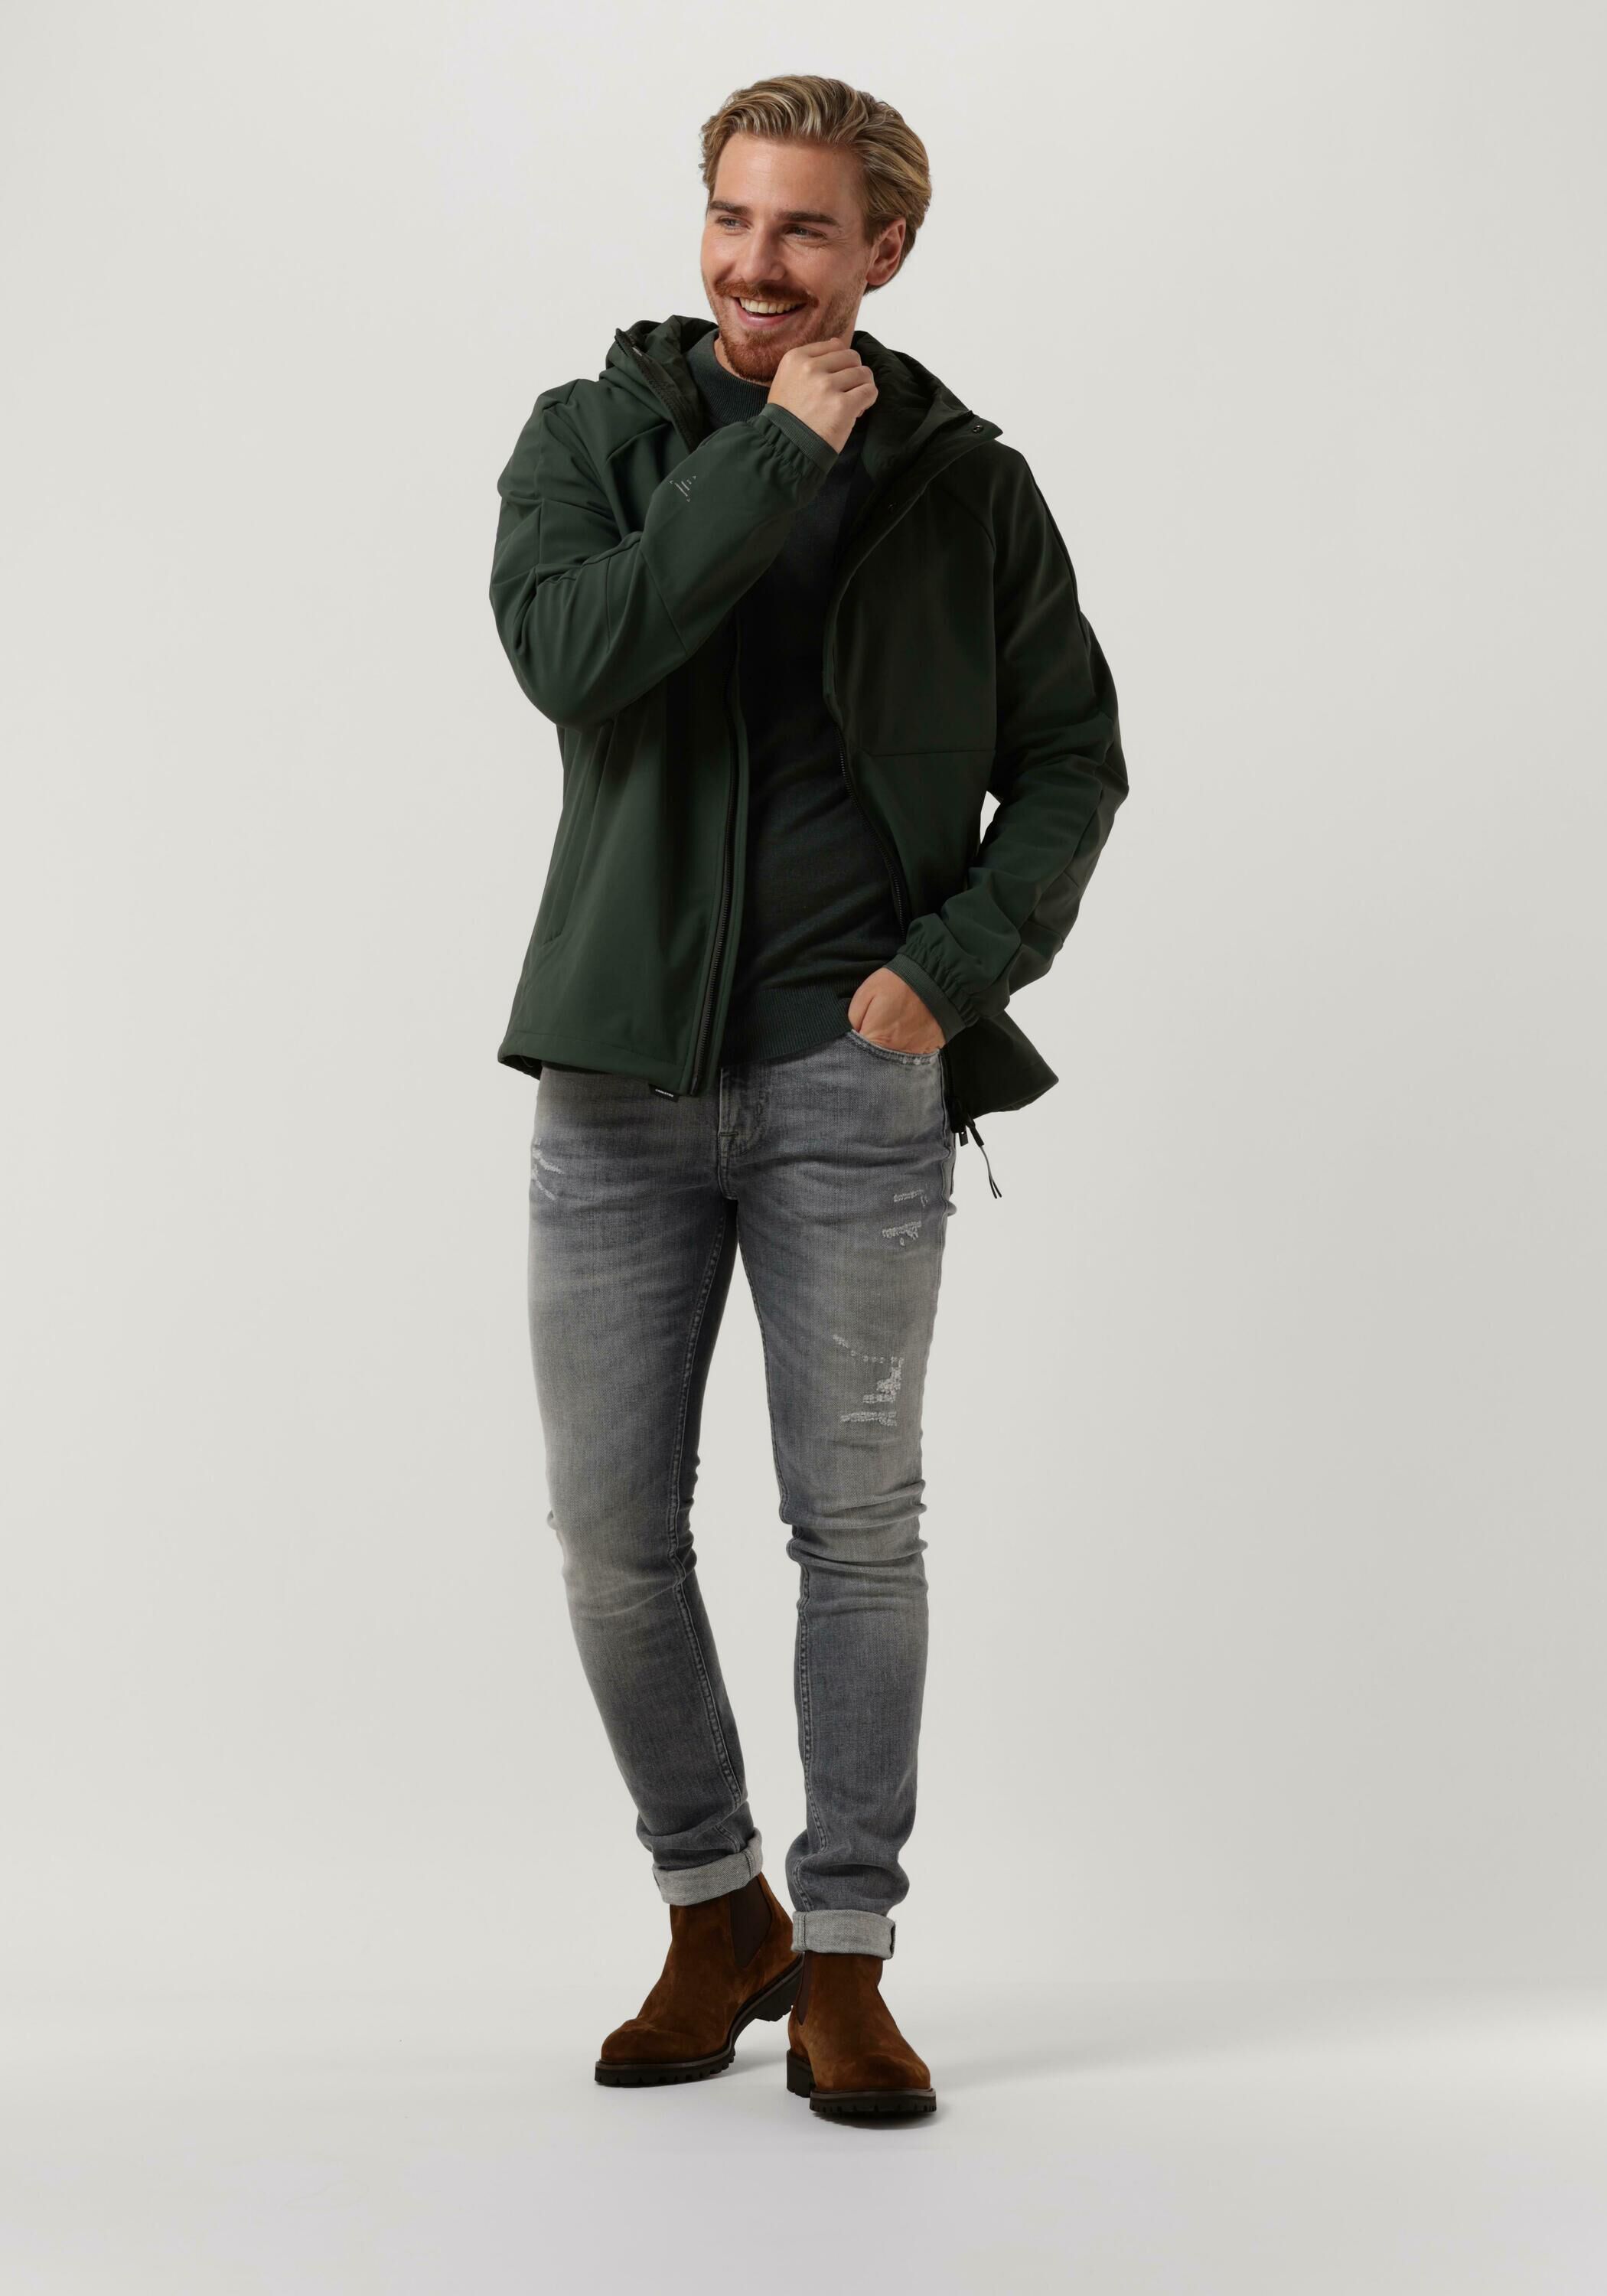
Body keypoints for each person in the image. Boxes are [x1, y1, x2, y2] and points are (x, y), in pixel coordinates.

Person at [488, 73, 1128, 2124]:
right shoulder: (591, 439)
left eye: (804, 230)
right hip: (615, 1077)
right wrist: (771, 454)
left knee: (856, 1532)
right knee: (610, 1536)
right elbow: (576, 657)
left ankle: (844, 1950)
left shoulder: (967, 486)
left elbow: (1073, 760)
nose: (754, 265)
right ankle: (716, 1912)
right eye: (730, 219)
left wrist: (949, 973)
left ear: (884, 250)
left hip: (853, 1081)